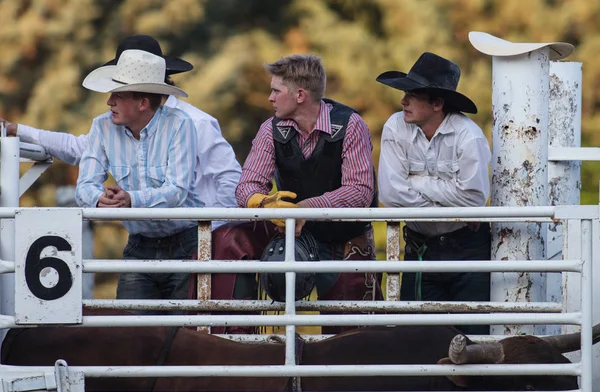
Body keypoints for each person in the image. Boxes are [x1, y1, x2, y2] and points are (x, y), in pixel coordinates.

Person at [210, 54, 382, 335]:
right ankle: (235, 341)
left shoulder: (351, 124)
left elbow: (360, 191)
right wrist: (266, 203)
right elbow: (246, 186)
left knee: (351, 337)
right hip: (291, 232)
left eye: (276, 90)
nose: (270, 98)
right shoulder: (270, 129)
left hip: (343, 235)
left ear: (300, 95)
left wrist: (305, 208)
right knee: (229, 238)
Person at [1, 35, 241, 220]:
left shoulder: (197, 123)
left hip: (196, 236)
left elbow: (229, 179)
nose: (111, 99)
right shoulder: (113, 127)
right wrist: (19, 130)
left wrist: (213, 232)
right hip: (150, 237)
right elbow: (77, 148)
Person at [376, 52, 492, 335]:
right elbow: (390, 194)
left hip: (467, 251)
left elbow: (474, 198)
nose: (403, 101)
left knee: (471, 338)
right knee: (416, 338)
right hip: (421, 247)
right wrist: (449, 199)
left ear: (437, 103)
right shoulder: (395, 126)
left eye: (412, 94)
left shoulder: (469, 136)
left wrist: (415, 181)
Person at [75, 49, 201, 301]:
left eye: (117, 96)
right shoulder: (101, 126)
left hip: (186, 244)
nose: (109, 102)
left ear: (142, 103)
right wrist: (101, 199)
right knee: (131, 327)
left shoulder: (180, 124)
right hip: (139, 243)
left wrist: (130, 199)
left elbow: (177, 191)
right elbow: (84, 185)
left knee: (183, 333)